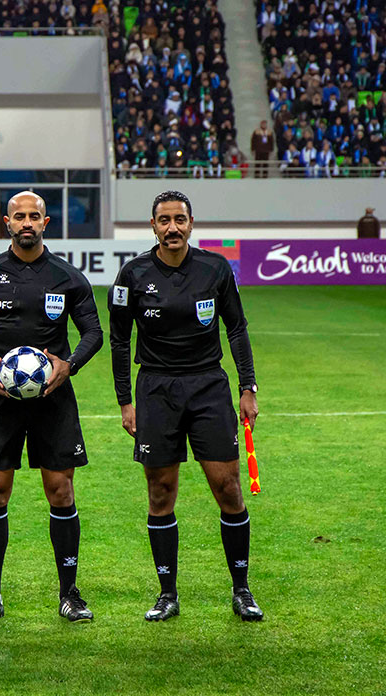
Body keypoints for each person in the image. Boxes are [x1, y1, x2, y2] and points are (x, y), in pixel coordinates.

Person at [108, 190, 263, 623]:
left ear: (191, 224)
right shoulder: (132, 275)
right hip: (155, 389)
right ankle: (167, 594)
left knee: (228, 488)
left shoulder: (216, 269)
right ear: (153, 226)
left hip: (208, 386)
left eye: (179, 219)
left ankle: (242, 589)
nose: (172, 227)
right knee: (160, 492)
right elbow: (119, 341)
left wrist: (247, 386)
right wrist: (125, 401)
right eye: (164, 220)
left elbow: (237, 328)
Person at [0, 190, 103, 623]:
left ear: (45, 222)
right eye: (19, 216)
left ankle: (69, 594)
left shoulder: (68, 277)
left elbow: (93, 332)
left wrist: (69, 365)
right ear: (7, 223)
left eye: (34, 216)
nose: (27, 223)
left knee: (61, 490)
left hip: (53, 400)